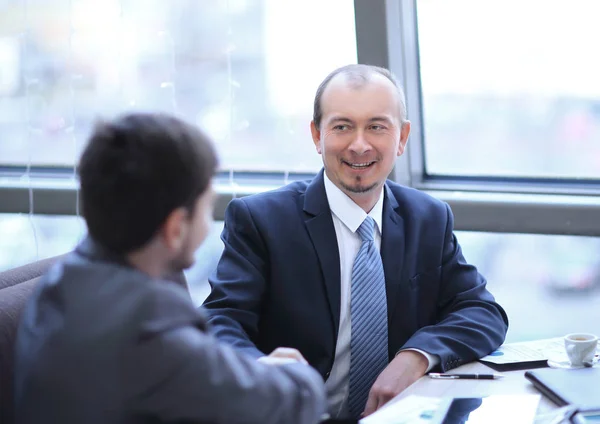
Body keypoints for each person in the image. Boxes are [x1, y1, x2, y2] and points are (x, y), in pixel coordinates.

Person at [202, 64, 509, 420]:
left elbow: (483, 312)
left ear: (403, 138)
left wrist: (416, 356)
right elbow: (219, 321)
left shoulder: (428, 218)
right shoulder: (261, 220)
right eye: (342, 126)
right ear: (317, 136)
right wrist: (260, 366)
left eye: (377, 127)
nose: (359, 144)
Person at [14, 113, 326, 424]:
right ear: (175, 227)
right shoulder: (151, 331)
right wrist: (294, 371)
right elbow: (297, 400)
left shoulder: (60, 284)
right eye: (207, 208)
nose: (208, 223)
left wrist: (248, 372)